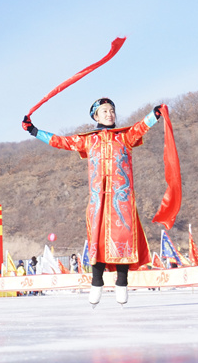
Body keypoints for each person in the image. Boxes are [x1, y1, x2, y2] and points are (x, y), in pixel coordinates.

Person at [23, 98, 162, 306]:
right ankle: (96, 282)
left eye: (112, 110)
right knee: (97, 238)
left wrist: (155, 115)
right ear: (95, 116)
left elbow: (141, 127)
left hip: (120, 199)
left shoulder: (124, 137)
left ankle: (121, 282)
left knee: (122, 236)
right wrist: (34, 131)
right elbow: (61, 141)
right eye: (104, 111)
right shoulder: (88, 140)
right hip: (98, 199)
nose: (110, 114)